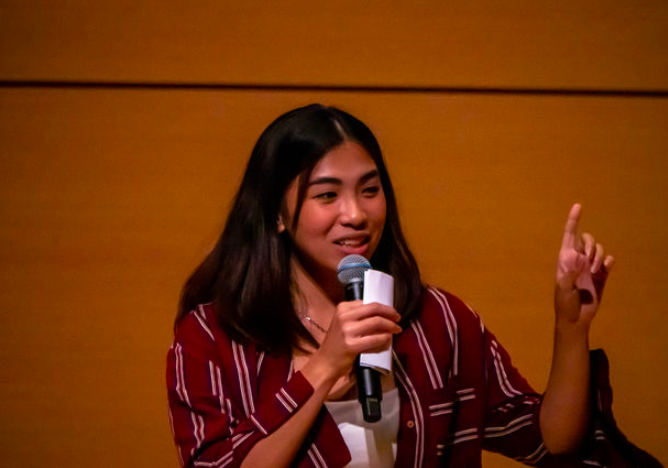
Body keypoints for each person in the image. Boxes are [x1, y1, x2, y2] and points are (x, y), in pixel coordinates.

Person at [166, 104, 614, 468]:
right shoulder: (211, 336)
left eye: (369, 189)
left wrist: (570, 329)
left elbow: (549, 440)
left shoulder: (439, 320)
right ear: (276, 215)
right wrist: (323, 368)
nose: (356, 214)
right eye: (327, 195)